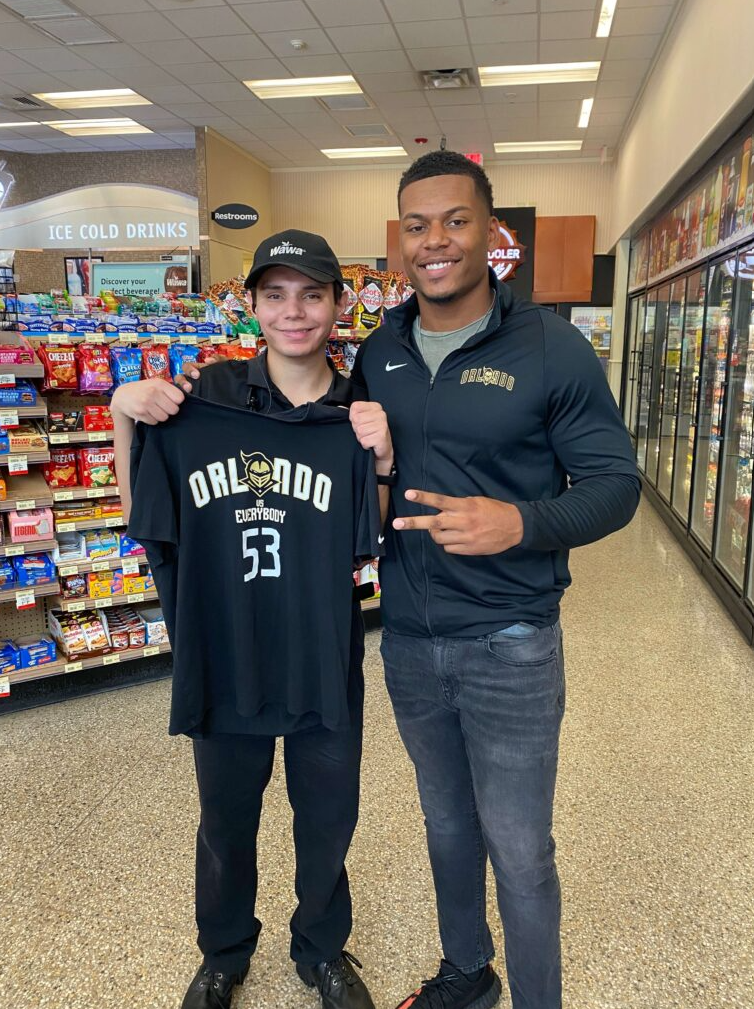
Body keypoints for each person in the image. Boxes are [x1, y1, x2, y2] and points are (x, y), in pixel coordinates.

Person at [347, 150, 640, 1009]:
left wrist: (522, 522)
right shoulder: (381, 350)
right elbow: (360, 473)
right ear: (401, 240)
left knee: (519, 847)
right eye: (416, 225)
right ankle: (467, 973)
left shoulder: (551, 347)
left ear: (490, 233)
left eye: (454, 220)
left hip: (511, 645)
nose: (434, 241)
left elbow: (617, 486)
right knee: (445, 827)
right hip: (408, 638)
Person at [112, 230, 394, 1009]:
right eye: (276, 294)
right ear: (252, 305)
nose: (294, 311)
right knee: (225, 820)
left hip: (318, 653)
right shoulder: (211, 398)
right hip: (228, 652)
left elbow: (367, 538)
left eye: (311, 293)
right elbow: (143, 512)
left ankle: (324, 951)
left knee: (329, 816)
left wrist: (380, 460)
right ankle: (224, 952)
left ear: (340, 305)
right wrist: (121, 411)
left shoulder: (355, 412)